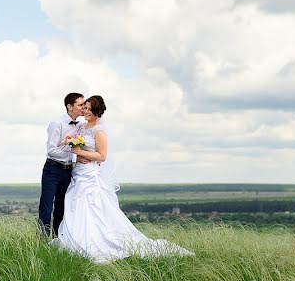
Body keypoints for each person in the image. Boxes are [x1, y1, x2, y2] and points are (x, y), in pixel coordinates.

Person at [53, 95, 193, 263]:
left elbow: (102, 156)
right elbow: (73, 144)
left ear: (97, 112)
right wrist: (71, 145)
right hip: (78, 174)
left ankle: (94, 240)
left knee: (92, 208)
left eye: (90, 109)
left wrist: (80, 152)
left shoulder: (99, 131)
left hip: (90, 176)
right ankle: (73, 238)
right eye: (85, 108)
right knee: (75, 206)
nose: (86, 111)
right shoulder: (81, 128)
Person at [38, 92, 85, 238]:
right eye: (80, 104)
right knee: (46, 207)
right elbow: (51, 151)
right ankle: (42, 240)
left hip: (68, 171)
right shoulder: (57, 124)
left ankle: (58, 239)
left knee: (61, 206)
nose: (83, 107)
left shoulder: (81, 126)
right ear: (70, 107)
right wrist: (70, 149)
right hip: (53, 169)